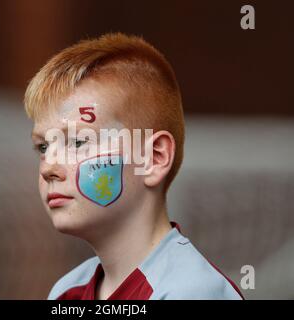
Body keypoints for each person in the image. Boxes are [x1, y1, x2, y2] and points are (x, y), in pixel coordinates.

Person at [24, 33, 243, 300]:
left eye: (80, 141)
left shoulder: (192, 291)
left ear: (153, 158)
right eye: (43, 147)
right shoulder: (66, 292)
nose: (49, 168)